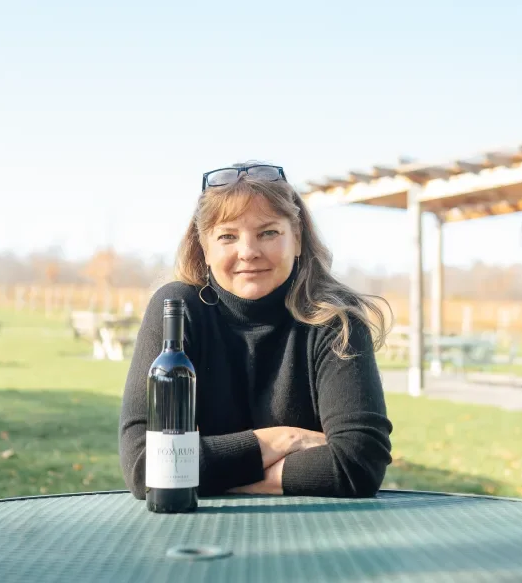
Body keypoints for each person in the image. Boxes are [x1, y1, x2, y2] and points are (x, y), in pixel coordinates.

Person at [119, 163, 393, 498]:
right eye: (228, 236)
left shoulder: (334, 318)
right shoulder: (176, 310)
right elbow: (144, 466)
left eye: (268, 233)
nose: (248, 252)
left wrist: (201, 472)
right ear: (204, 247)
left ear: (297, 239)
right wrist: (284, 439)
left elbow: (359, 463)